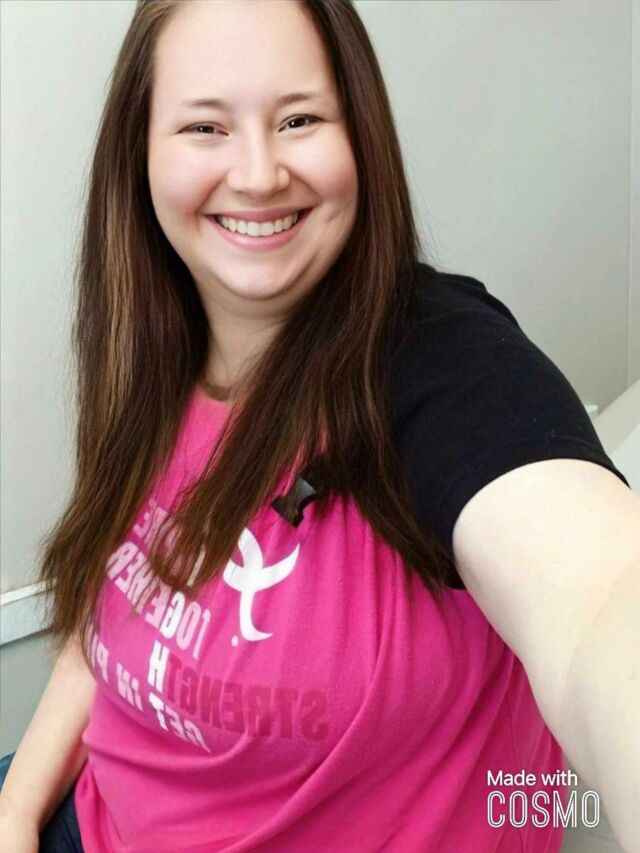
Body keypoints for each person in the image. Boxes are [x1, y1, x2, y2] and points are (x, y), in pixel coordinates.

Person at [0, 1, 638, 851]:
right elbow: (114, 618)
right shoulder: (156, 344)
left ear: (359, 134)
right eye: (205, 127)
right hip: (78, 809)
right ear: (139, 154)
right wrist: (16, 807)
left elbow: (603, 606)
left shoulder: (438, 363)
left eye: (298, 119)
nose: (259, 174)